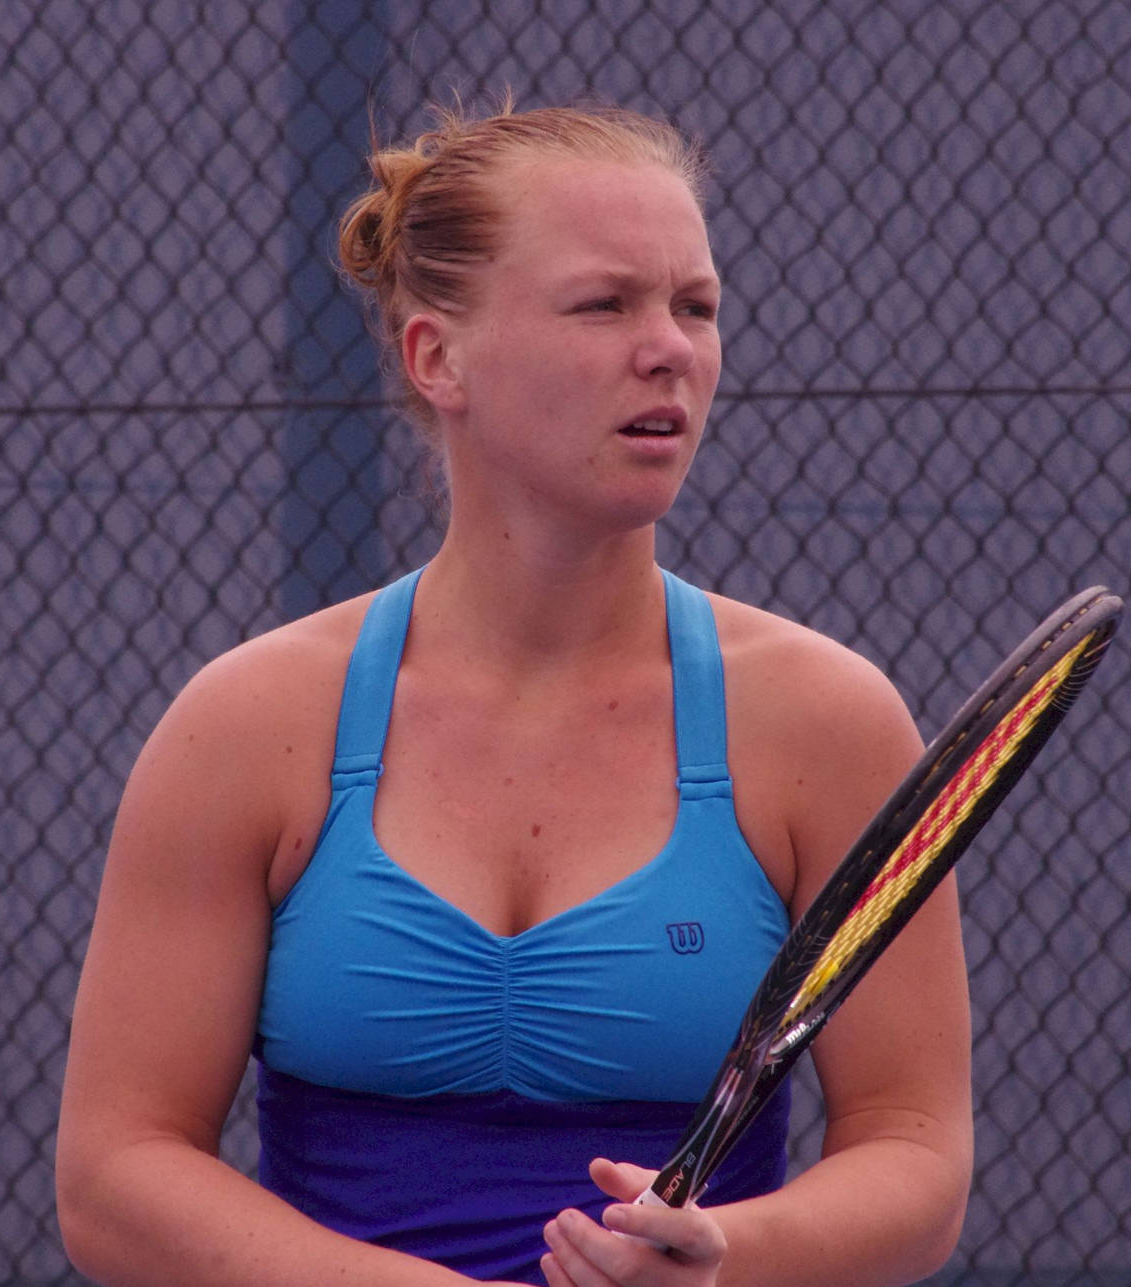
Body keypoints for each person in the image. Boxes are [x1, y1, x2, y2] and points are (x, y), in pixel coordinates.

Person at [56, 98, 972, 1287]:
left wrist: (729, 1253)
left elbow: (914, 1149)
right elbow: (117, 1173)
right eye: (605, 304)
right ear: (438, 357)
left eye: (696, 306)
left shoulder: (823, 722)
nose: (671, 349)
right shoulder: (250, 726)